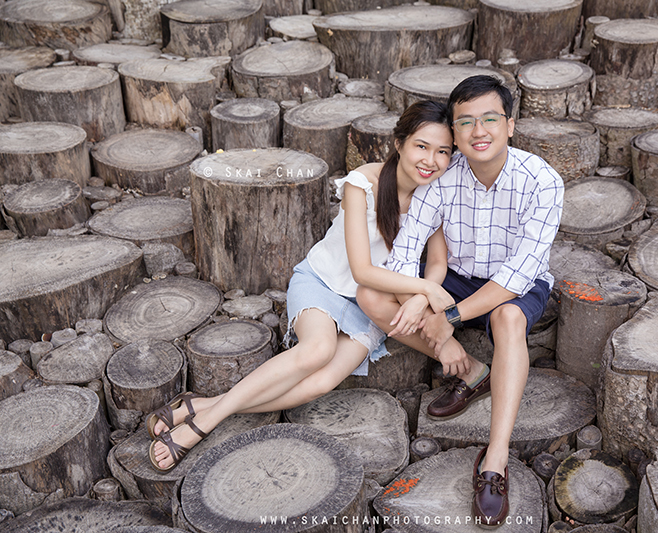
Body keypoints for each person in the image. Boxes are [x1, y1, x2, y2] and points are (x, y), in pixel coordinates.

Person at [147, 100, 457, 472]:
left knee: (320, 383)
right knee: (316, 352)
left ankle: (203, 405)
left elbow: (437, 263)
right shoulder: (363, 182)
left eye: (443, 151)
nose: (431, 160)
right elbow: (361, 270)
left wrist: (423, 292)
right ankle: (204, 423)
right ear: (399, 143)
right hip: (323, 283)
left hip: (372, 305)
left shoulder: (434, 196)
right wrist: (427, 290)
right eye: (422, 146)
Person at [357, 75, 563, 527]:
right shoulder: (442, 179)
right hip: (456, 278)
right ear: (454, 130)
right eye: (465, 122)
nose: (478, 131)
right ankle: (471, 371)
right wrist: (421, 302)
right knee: (370, 294)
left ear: (510, 124)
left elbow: (519, 273)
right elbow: (405, 253)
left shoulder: (542, 181)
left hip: (515, 286)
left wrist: (447, 316)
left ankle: (495, 459)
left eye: (490, 119)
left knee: (508, 320)